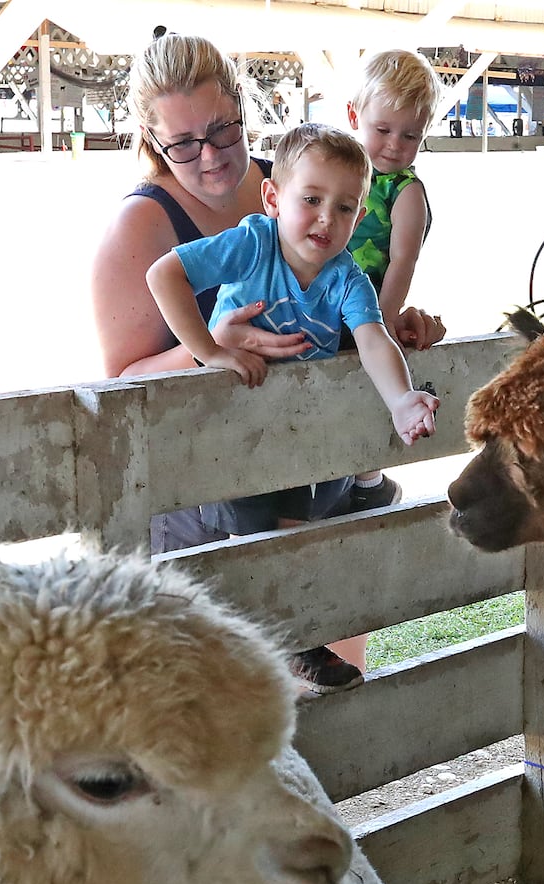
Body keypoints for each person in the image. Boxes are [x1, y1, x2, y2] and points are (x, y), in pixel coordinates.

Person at [91, 33, 446, 690]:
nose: (211, 155)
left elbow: (340, 304)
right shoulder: (141, 226)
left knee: (331, 686)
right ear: (152, 138)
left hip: (313, 468)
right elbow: (121, 384)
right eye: (184, 143)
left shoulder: (296, 181)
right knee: (221, 705)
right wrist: (209, 347)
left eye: (224, 131)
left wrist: (402, 326)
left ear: (243, 110)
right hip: (202, 499)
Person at [147, 123, 439, 440]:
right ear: (273, 199)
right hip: (220, 413)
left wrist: (401, 400)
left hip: (297, 420)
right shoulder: (253, 243)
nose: (327, 218)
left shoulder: (347, 278)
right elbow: (164, 275)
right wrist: (209, 351)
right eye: (312, 199)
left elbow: (373, 339)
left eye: (344, 208)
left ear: (357, 222)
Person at [345, 48, 442, 510]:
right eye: (382, 130)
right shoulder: (341, 172)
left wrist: (380, 320)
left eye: (410, 135)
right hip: (324, 301)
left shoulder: (406, 191)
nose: (394, 145)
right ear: (353, 115)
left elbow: (403, 260)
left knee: (372, 381)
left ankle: (368, 478)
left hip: (368, 309)